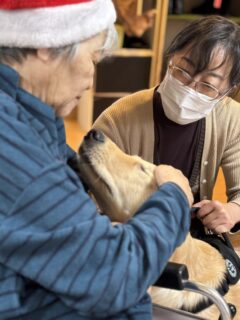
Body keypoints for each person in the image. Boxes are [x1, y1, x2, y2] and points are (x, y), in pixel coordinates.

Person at [0, 1, 193, 319]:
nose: (91, 80)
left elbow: (65, 193)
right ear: (48, 43)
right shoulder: (10, 139)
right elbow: (117, 275)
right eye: (93, 58)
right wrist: (172, 198)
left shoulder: (33, 116)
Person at [93, 15, 240, 236]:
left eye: (208, 85)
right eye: (182, 71)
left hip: (194, 243)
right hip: (130, 239)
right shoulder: (117, 119)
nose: (189, 88)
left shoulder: (231, 118)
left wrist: (232, 211)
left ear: (229, 90)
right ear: (170, 58)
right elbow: (88, 196)